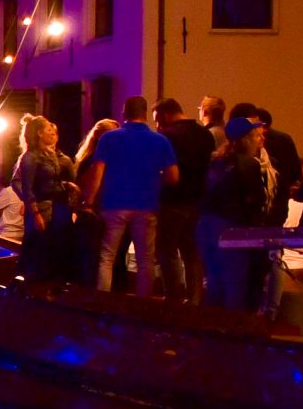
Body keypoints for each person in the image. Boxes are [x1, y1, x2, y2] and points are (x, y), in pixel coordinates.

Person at [77, 99, 173, 296]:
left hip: (114, 204)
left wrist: (89, 201)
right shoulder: (160, 141)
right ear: (145, 113)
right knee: (145, 259)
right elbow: (173, 176)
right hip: (146, 204)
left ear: (124, 113)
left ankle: (102, 300)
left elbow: (97, 172)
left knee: (107, 257)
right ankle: (143, 303)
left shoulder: (109, 138)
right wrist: (154, 182)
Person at [201, 116, 269, 310]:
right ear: (246, 139)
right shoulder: (249, 164)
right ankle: (234, 326)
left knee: (215, 284)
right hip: (233, 232)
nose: (259, 139)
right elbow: (256, 200)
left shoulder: (217, 161)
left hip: (208, 227)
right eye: (255, 135)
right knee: (235, 287)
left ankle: (211, 324)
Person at [154, 97, 215, 305]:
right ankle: (195, 299)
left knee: (167, 250)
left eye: (158, 120)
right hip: (198, 201)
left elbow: (164, 170)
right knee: (192, 253)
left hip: (172, 200)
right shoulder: (205, 134)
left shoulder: (168, 137)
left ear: (166, 114)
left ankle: (174, 297)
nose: (157, 125)